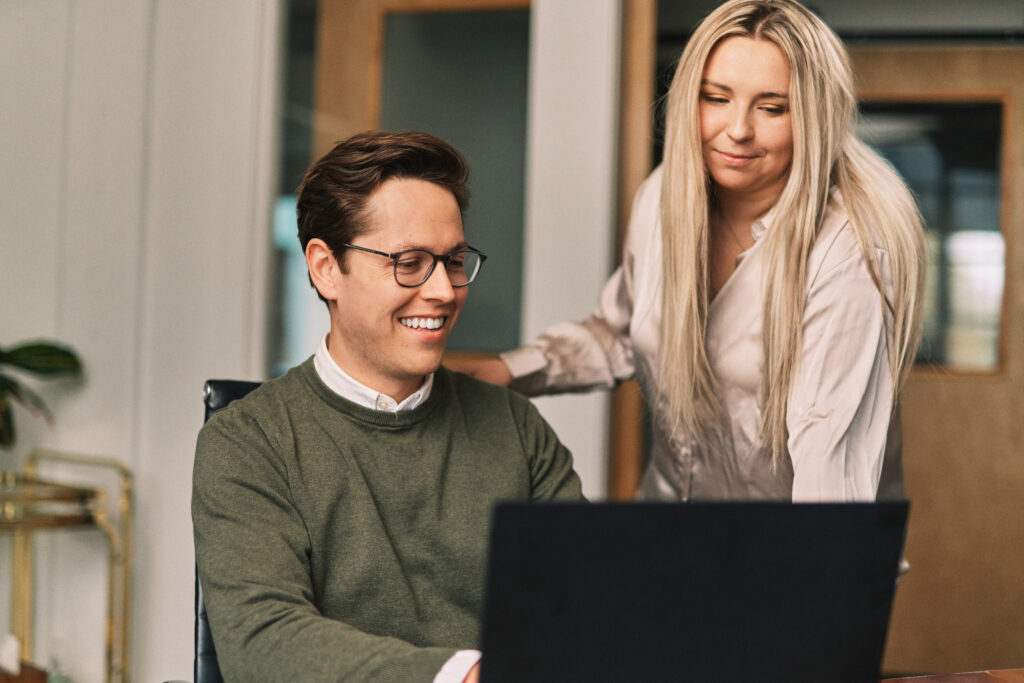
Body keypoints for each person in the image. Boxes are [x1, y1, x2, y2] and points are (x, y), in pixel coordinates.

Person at [457, 0, 925, 502]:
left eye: (771, 107)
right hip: (671, 530)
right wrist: (504, 373)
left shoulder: (847, 249)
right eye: (715, 98)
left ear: (815, 117)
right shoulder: (663, 198)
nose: (738, 128)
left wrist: (808, 573)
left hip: (793, 553)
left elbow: (829, 471)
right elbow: (622, 332)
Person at [192, 131, 584, 683]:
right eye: (409, 263)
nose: (444, 291)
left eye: (452, 260)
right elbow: (264, 643)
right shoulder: (248, 442)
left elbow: (583, 610)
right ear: (327, 268)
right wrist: (464, 676)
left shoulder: (516, 428)